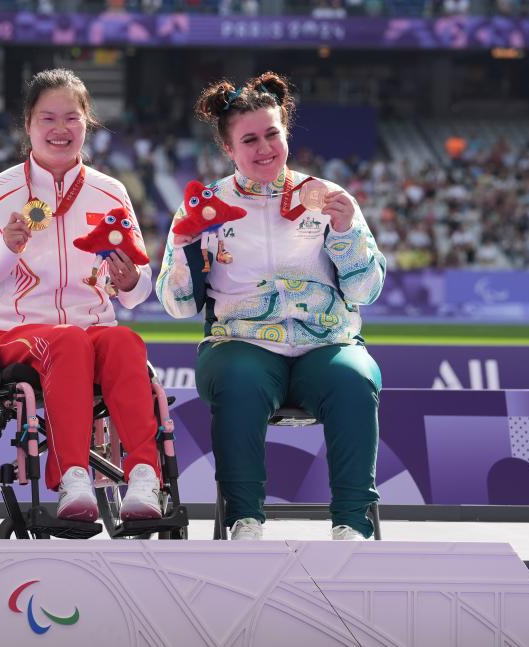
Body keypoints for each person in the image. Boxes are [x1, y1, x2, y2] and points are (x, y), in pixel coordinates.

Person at [156, 72, 386, 541]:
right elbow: (178, 306)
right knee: (238, 380)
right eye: (249, 140)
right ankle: (245, 520)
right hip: (242, 343)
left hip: (325, 343)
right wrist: (183, 247)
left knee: (354, 378)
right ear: (228, 148)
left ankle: (352, 524)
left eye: (272, 134)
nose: (264, 148)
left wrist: (345, 234)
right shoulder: (204, 209)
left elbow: (365, 291)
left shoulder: (328, 198)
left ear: (285, 133)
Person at [0, 68, 162, 523]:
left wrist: (128, 281)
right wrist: (5, 250)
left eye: (71, 118)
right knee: (67, 340)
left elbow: (138, 291)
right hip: (15, 332)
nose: (60, 129)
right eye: (47, 118)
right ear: (28, 124)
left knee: (126, 341)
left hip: (93, 329)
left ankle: (144, 475)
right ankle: (72, 477)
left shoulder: (111, 192)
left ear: (87, 123)